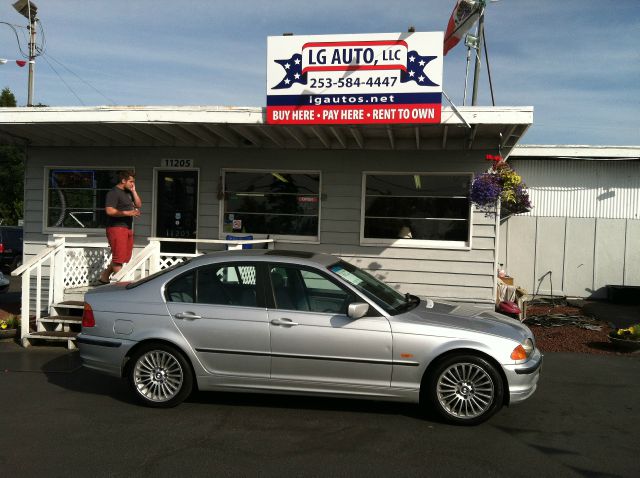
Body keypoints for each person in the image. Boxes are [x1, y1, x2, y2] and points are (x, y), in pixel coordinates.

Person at [98, 170, 142, 284]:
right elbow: (109, 210)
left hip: (126, 228)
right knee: (118, 260)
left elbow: (138, 205)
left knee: (123, 257)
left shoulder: (127, 193)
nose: (132, 183)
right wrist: (128, 213)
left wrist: (134, 191)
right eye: (131, 181)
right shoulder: (113, 193)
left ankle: (104, 276)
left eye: (133, 182)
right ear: (123, 180)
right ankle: (122, 285)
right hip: (116, 228)